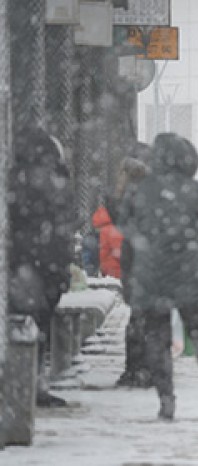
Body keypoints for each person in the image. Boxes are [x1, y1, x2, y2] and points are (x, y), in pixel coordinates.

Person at [118, 133, 198, 421]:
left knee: (157, 337)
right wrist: (185, 230)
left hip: (152, 272)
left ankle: (166, 401)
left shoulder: (141, 189)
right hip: (188, 271)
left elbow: (126, 227)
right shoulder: (193, 188)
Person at [8, 127, 79, 408]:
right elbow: (63, 225)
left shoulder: (14, 180)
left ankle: (21, 384)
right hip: (47, 264)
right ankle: (34, 384)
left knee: (22, 322)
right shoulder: (55, 181)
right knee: (39, 325)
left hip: (21, 264)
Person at [111, 150, 152, 388]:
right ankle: (142, 368)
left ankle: (135, 368)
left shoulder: (122, 195)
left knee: (137, 317)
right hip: (143, 260)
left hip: (133, 259)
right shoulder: (144, 194)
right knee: (145, 318)